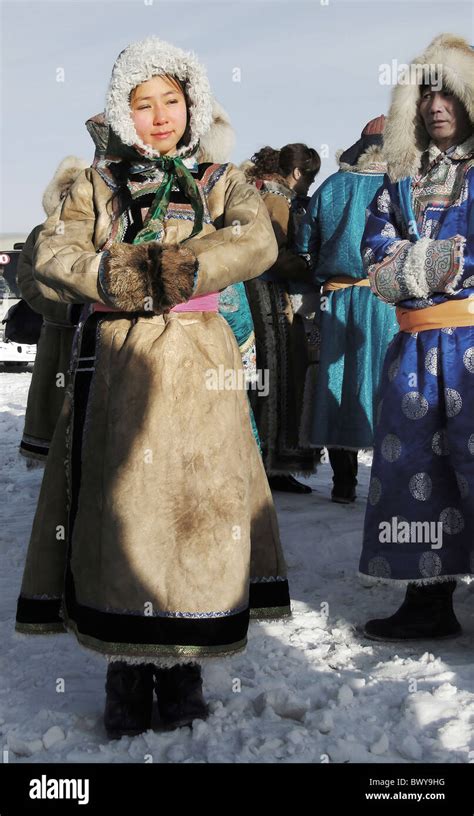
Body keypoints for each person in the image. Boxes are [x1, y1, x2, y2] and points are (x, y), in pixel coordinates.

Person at [15, 35, 284, 737]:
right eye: (143, 103)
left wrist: (182, 267)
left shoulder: (224, 179)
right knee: (123, 510)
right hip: (120, 365)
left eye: (171, 100)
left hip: (202, 364)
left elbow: (256, 242)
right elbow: (54, 253)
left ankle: (183, 666)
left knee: (195, 510)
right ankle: (125, 671)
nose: (159, 116)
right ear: (121, 110)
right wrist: (116, 276)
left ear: (190, 106)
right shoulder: (94, 185)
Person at [358, 34, 474, 640]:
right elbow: (374, 253)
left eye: (449, 91)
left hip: (471, 349)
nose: (436, 104)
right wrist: (435, 262)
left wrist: (420, 263)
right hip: (412, 350)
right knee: (414, 472)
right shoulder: (401, 178)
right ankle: (429, 601)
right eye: (427, 92)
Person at [296, 117, 399, 503]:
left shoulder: (333, 185)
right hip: (386, 301)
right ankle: (388, 484)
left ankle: (343, 483)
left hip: (335, 299)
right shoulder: (398, 186)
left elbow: (306, 243)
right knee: (384, 383)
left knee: (338, 380)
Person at [243, 144, 321, 493]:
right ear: (297, 174)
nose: (308, 186)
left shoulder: (258, 193)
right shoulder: (276, 199)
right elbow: (274, 253)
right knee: (277, 377)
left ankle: (265, 461)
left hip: (259, 294)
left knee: (266, 379)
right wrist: (311, 265)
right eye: (310, 177)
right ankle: (272, 464)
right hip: (270, 297)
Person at [17, 157, 88, 462]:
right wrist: (68, 312)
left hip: (99, 339)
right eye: (64, 192)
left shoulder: (98, 232)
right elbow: (29, 283)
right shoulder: (40, 233)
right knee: (57, 422)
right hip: (58, 340)